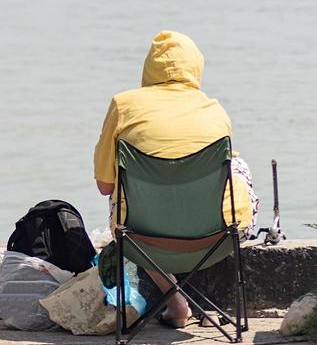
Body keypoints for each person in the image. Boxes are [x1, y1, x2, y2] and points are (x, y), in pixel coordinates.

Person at [93, 31, 254, 328]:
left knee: (129, 209)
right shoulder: (214, 110)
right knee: (236, 166)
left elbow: (105, 186)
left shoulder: (123, 105)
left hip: (141, 239)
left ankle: (176, 304)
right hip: (219, 239)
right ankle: (203, 304)